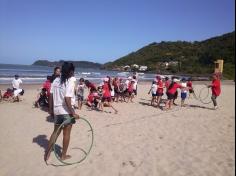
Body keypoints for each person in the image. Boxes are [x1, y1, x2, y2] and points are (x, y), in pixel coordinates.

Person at [45, 62, 79, 162]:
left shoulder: (56, 80)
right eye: (73, 71)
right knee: (66, 134)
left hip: (56, 110)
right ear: (71, 71)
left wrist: (50, 110)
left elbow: (50, 95)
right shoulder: (69, 81)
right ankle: (63, 156)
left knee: (55, 132)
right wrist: (73, 113)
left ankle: (47, 154)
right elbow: (68, 98)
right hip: (66, 111)